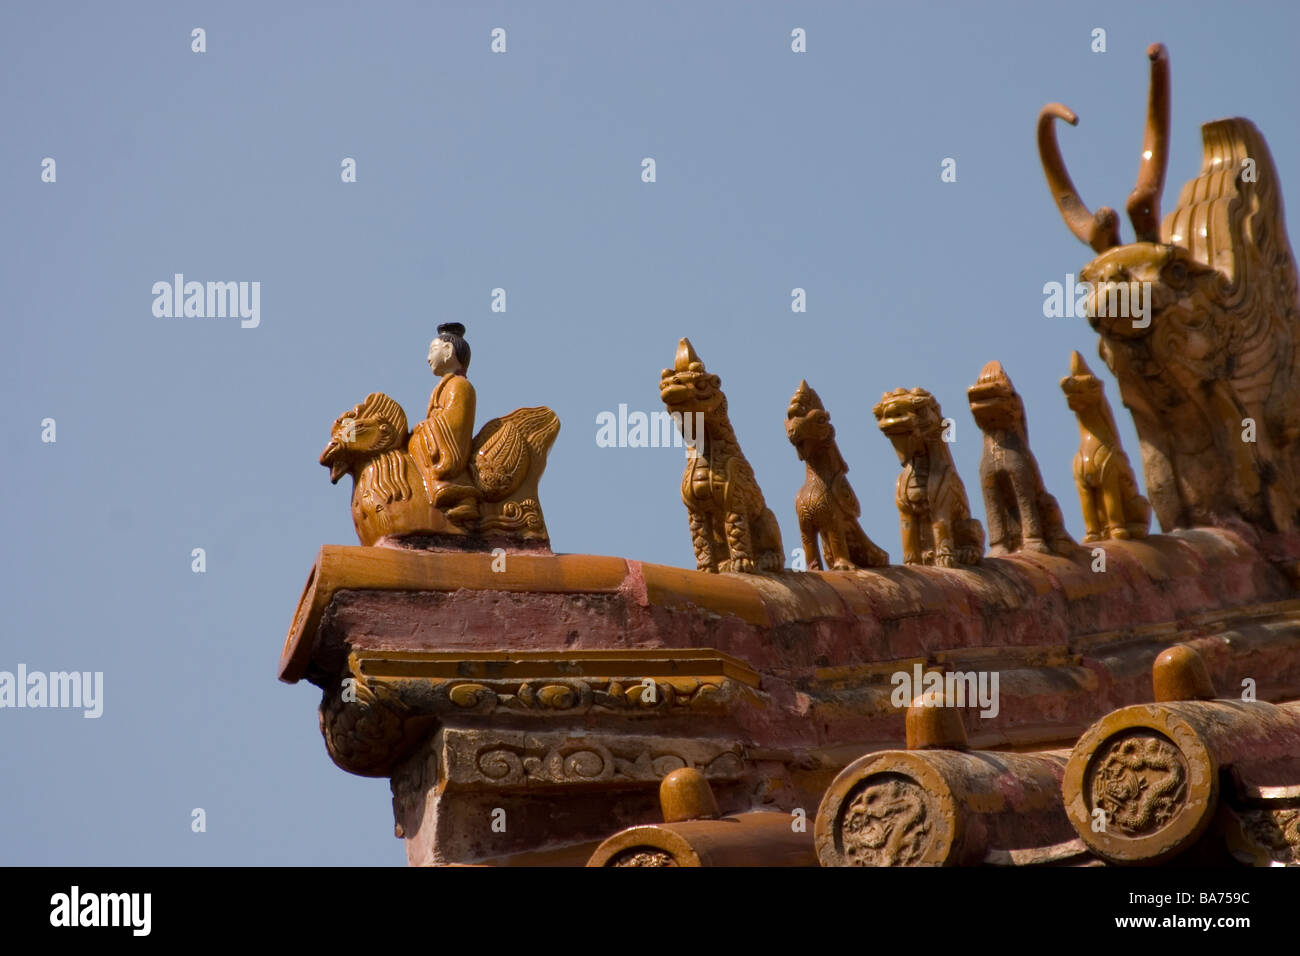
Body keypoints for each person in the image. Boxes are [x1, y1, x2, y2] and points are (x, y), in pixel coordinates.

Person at [408, 323, 479, 521]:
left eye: (433, 351)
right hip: (436, 439)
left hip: (450, 445)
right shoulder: (444, 385)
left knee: (419, 441)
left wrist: (430, 426)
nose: (428, 358)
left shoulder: (460, 385)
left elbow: (455, 421)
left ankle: (459, 495)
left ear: (448, 351)